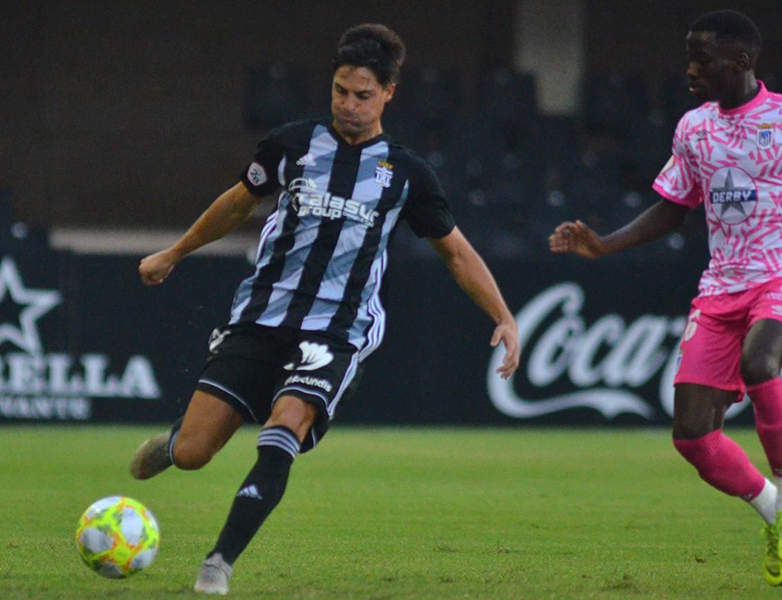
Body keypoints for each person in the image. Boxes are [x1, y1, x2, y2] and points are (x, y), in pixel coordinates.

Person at [128, 23, 520, 596]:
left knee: (285, 425)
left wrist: (504, 317)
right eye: (341, 91)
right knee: (193, 454)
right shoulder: (292, 144)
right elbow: (238, 203)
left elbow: (456, 253)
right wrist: (175, 252)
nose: (349, 105)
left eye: (363, 95)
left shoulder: (406, 174)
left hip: (337, 329)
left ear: (389, 93)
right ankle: (174, 443)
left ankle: (218, 564)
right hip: (261, 316)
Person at [550, 9, 782, 587]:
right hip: (721, 288)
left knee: (760, 362)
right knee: (693, 437)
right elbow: (674, 206)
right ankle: (779, 516)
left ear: (743, 61)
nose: (691, 70)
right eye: (689, 59)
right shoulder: (694, 128)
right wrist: (605, 245)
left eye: (702, 60)